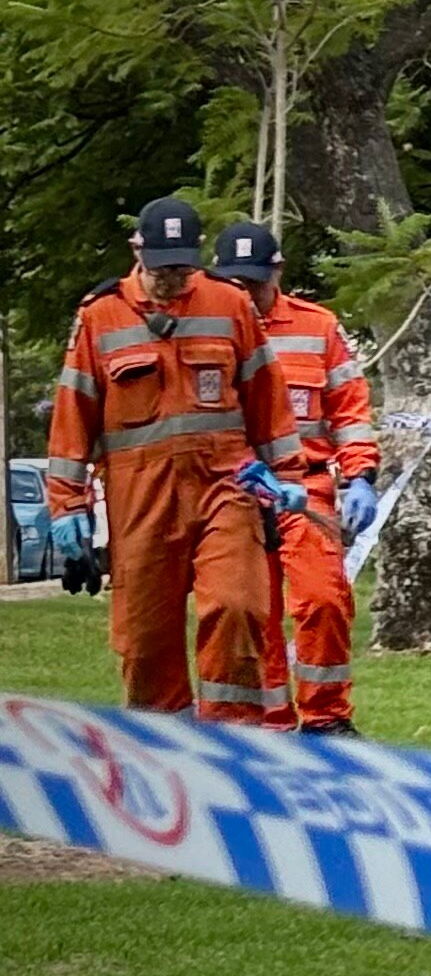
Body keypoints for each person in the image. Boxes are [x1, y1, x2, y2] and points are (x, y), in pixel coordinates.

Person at [42, 196, 295, 726]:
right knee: (145, 638)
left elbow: (267, 400)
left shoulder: (229, 306)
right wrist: (68, 507)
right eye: (162, 268)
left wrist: (287, 477)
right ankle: (162, 753)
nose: (172, 279)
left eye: (182, 267)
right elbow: (73, 417)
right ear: (138, 251)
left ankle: (231, 742)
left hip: (226, 487)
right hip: (142, 501)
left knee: (237, 608)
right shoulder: (100, 315)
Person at [212, 220, 381, 733]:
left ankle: (327, 717)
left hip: (305, 487)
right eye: (234, 283)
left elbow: (349, 411)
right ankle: (272, 722)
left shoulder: (318, 328)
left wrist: (361, 476)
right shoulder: (206, 330)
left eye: (253, 283)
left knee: (324, 600)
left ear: (277, 272)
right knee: (251, 613)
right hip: (236, 490)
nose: (245, 293)